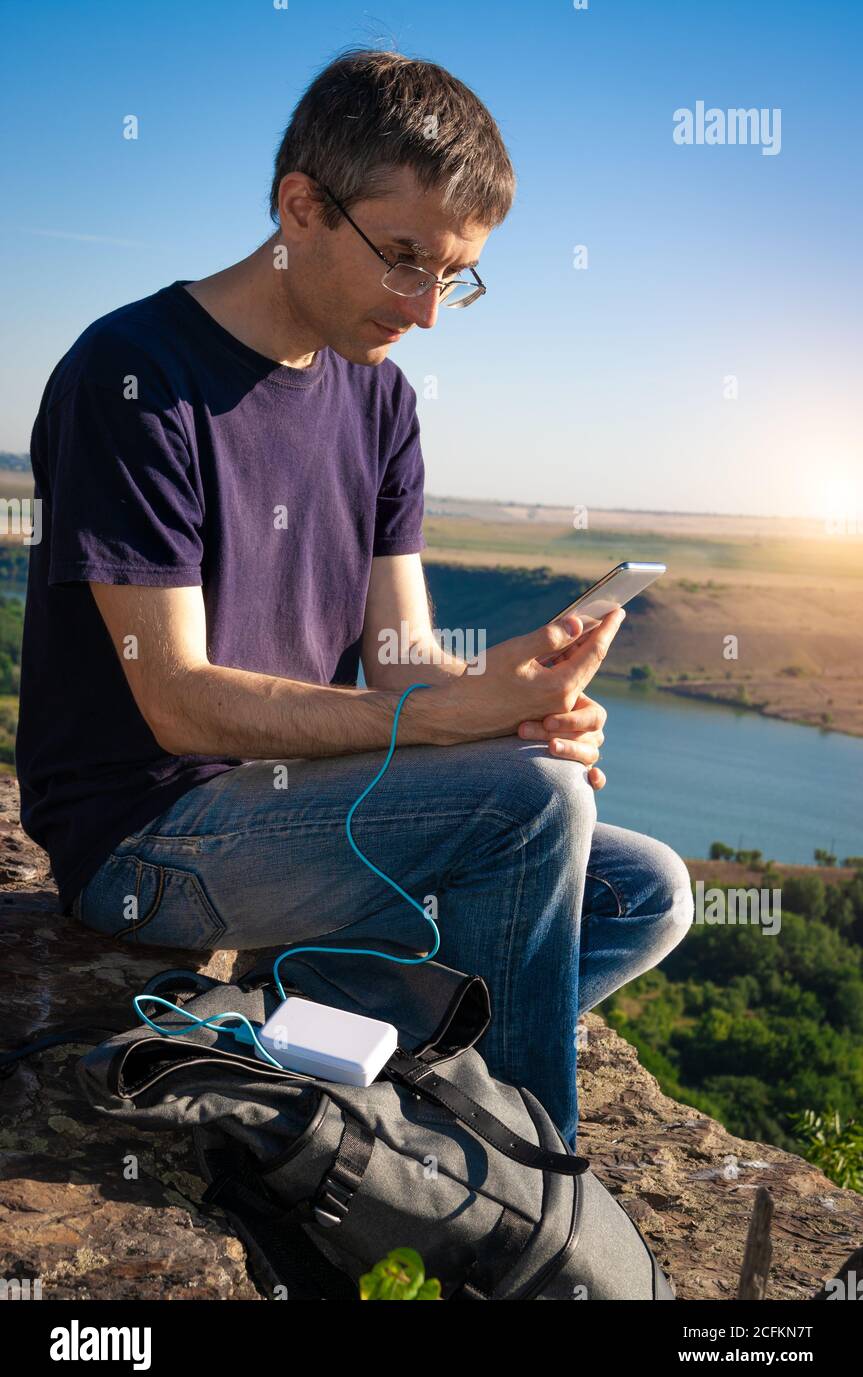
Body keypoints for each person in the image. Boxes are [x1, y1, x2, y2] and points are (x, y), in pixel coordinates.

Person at [15, 48, 694, 1147]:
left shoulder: (376, 400)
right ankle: (514, 1180)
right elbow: (177, 702)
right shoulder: (134, 376)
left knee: (648, 889)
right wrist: (447, 728)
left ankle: (335, 1043)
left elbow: (397, 656)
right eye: (404, 260)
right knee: (528, 806)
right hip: (149, 841)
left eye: (454, 274)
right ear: (300, 206)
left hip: (313, 814)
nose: (426, 310)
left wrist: (512, 700)